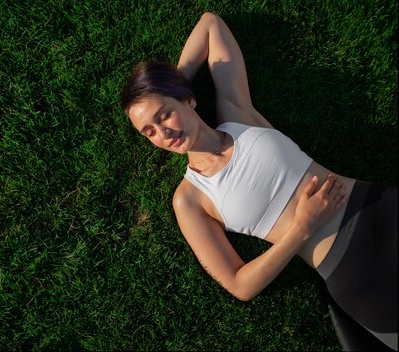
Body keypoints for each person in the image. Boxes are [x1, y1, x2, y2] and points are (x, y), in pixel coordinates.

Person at [119, 12, 397, 351]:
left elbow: (210, 25)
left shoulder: (238, 115)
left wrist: (169, 86)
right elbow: (240, 285)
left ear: (188, 99)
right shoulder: (190, 200)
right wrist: (302, 228)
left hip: (380, 208)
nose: (163, 132)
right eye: (149, 131)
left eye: (164, 114)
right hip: (355, 273)